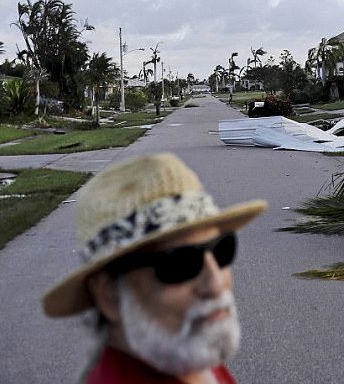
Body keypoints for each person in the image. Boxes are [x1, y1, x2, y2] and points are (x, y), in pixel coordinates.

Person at [42, 153, 267, 383]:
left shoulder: (184, 355)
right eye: (180, 264)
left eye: (222, 250)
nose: (216, 283)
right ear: (108, 294)